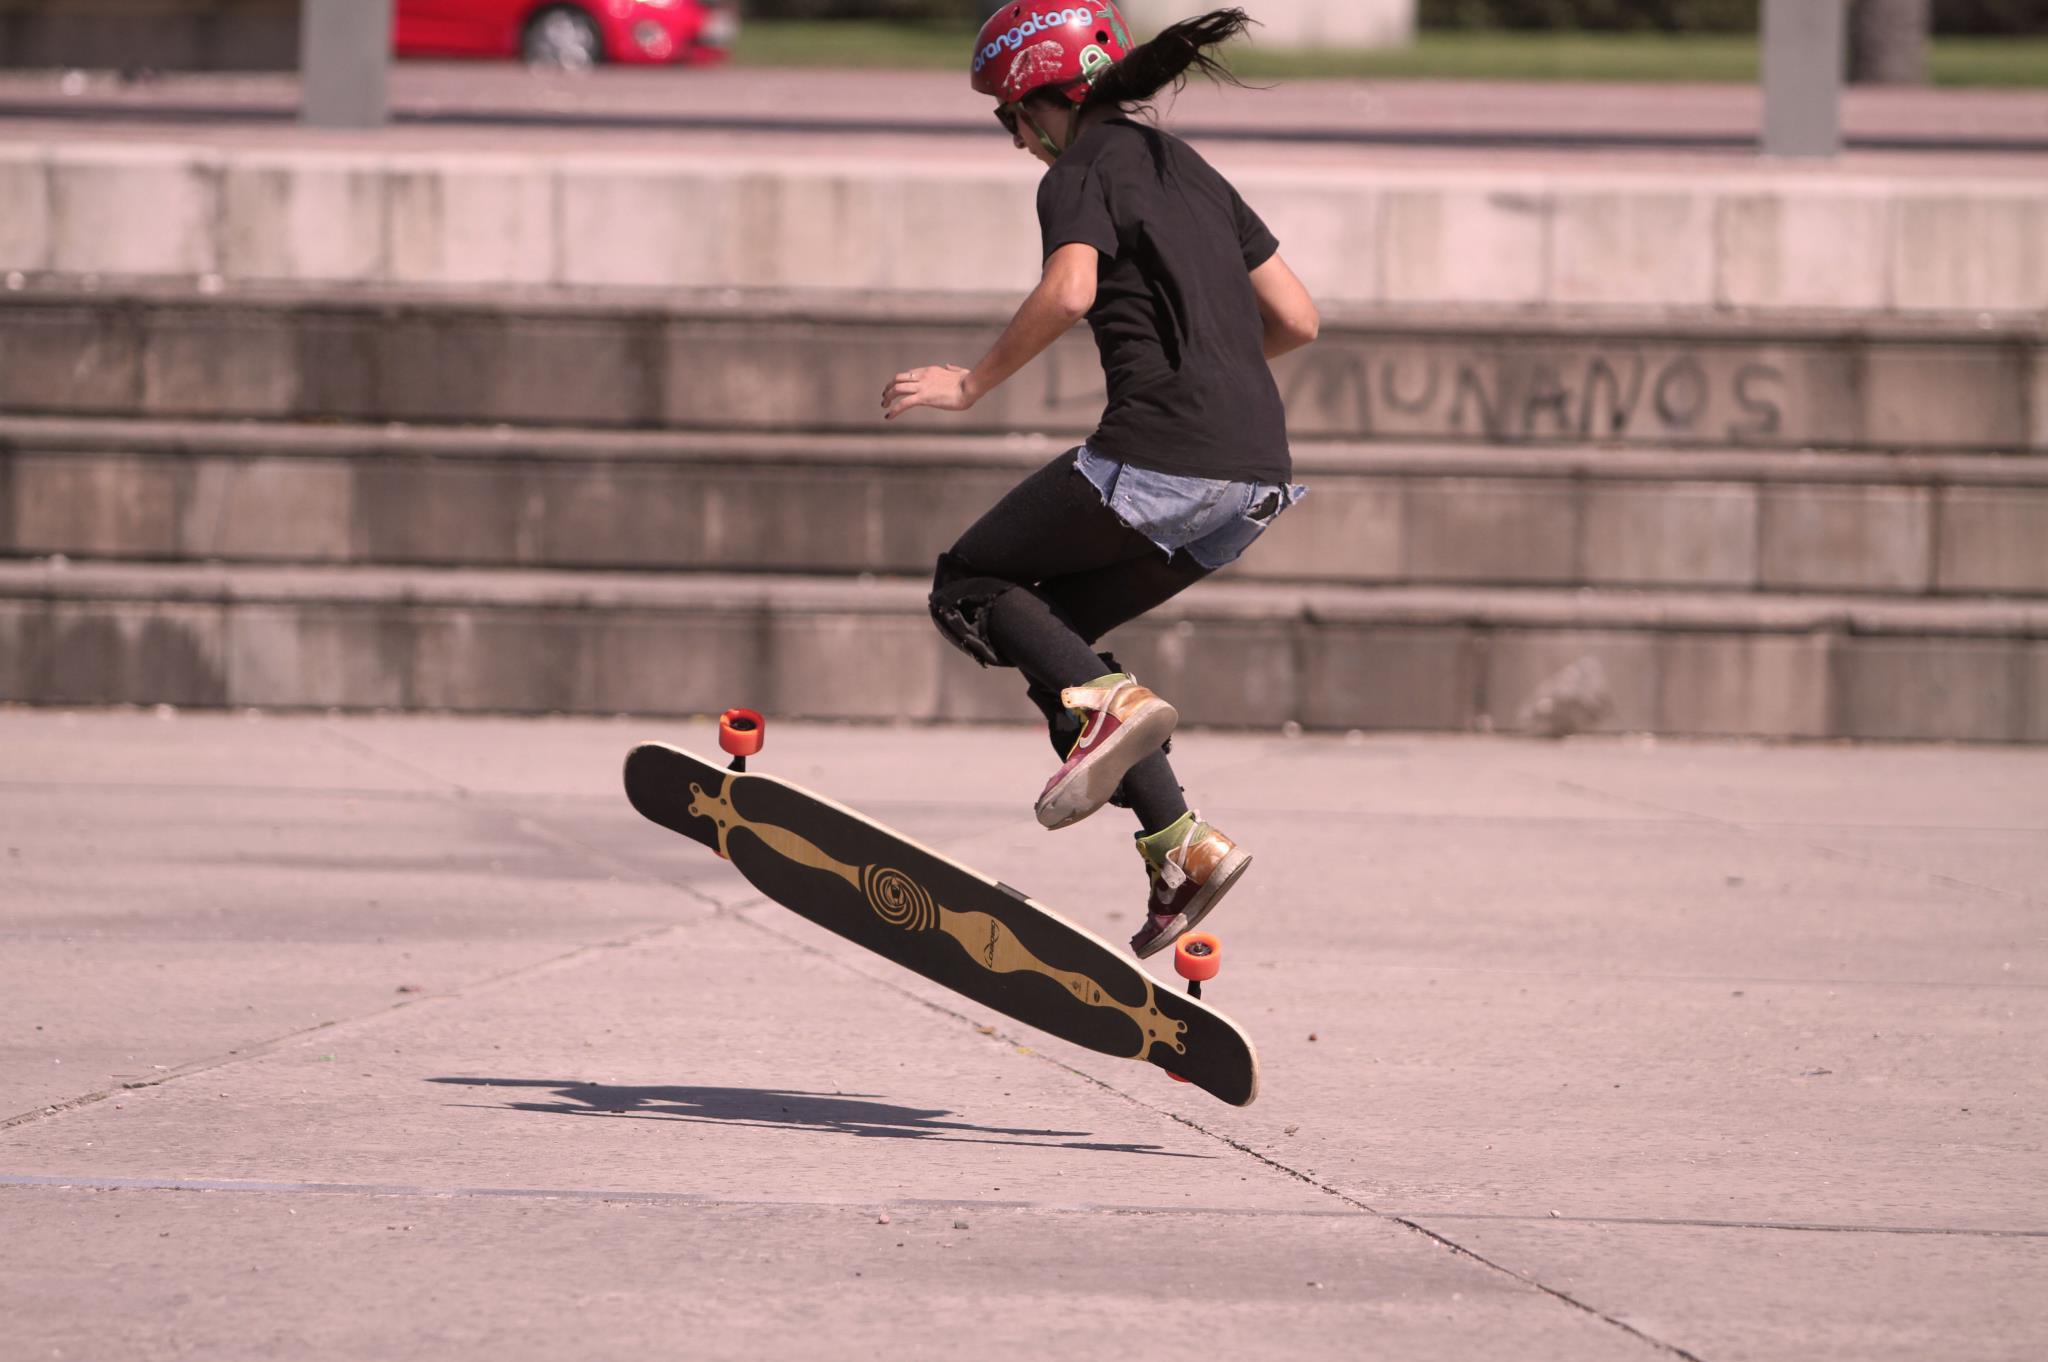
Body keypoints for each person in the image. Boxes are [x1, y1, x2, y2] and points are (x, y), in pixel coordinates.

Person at [880, 3, 1320, 958]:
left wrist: (969, 383)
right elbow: (1297, 316)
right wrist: (1220, 377)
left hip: (1163, 452)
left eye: (1010, 117)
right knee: (1057, 642)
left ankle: (1108, 711)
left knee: (969, 581)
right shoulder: (1187, 168)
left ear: (1043, 98)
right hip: (1254, 475)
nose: (1017, 139)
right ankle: (1179, 843)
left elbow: (1070, 288)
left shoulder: (1080, 168)